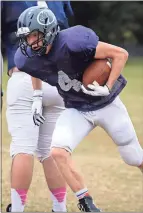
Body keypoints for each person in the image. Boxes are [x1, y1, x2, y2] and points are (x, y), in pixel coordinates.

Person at [14, 6, 143, 212]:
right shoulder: (27, 57)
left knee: (134, 157)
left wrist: (107, 86)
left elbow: (120, 54)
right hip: (76, 108)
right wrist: (37, 96)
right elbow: (35, 69)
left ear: (48, 31)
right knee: (58, 151)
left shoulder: (73, 42)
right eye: (27, 37)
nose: (30, 42)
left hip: (106, 104)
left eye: (35, 36)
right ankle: (87, 202)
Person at [1, 1, 74, 212]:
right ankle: (59, 208)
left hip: (25, 76)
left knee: (23, 147)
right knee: (49, 150)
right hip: (57, 79)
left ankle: (16, 209)